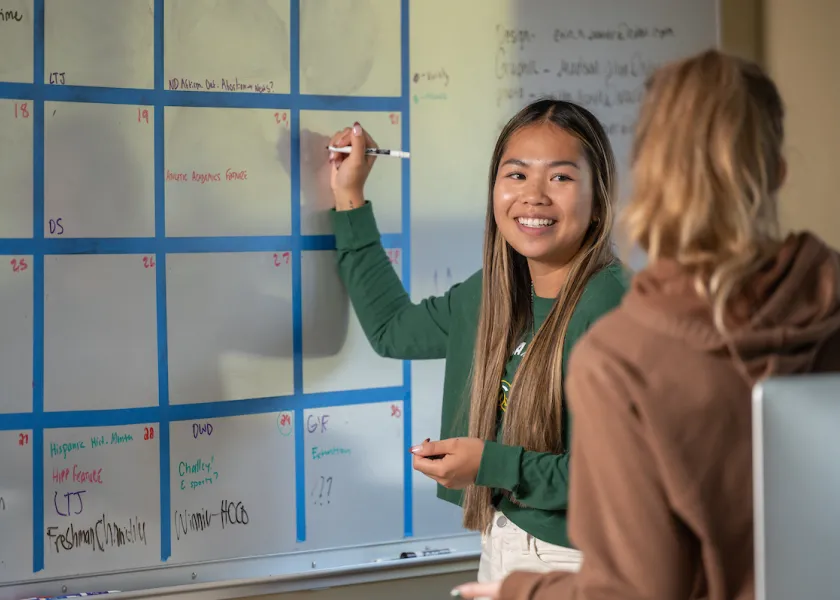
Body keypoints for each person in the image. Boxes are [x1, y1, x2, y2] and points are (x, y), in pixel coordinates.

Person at [452, 49, 840, 600]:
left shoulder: (622, 357)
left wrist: (521, 592)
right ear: (778, 169)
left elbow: (637, 590)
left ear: (644, 177)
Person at [327, 99, 629, 579]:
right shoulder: (494, 293)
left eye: (561, 177)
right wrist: (349, 196)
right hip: (502, 540)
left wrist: (489, 463)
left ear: (598, 202)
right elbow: (392, 330)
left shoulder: (612, 308)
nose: (534, 196)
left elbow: (610, 477)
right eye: (516, 175)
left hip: (579, 561)